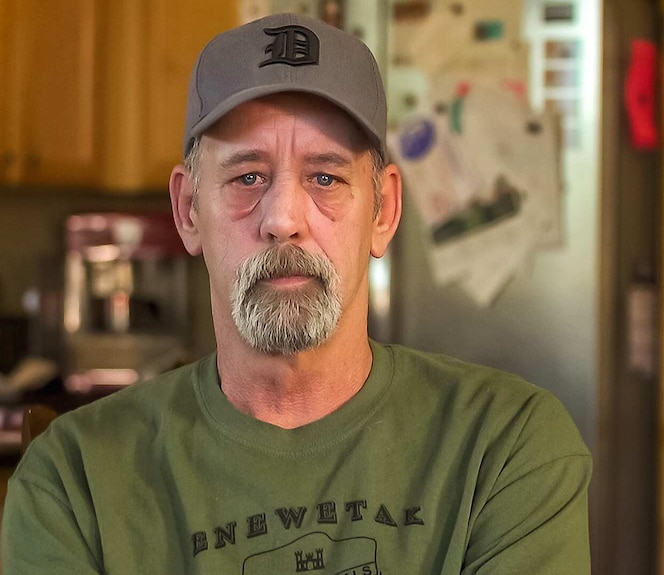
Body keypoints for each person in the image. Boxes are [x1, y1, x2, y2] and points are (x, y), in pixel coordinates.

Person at [1, 13, 592, 574]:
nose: (283, 217)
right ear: (187, 210)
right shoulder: (73, 480)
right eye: (248, 177)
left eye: (326, 177)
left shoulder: (506, 446)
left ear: (383, 211)